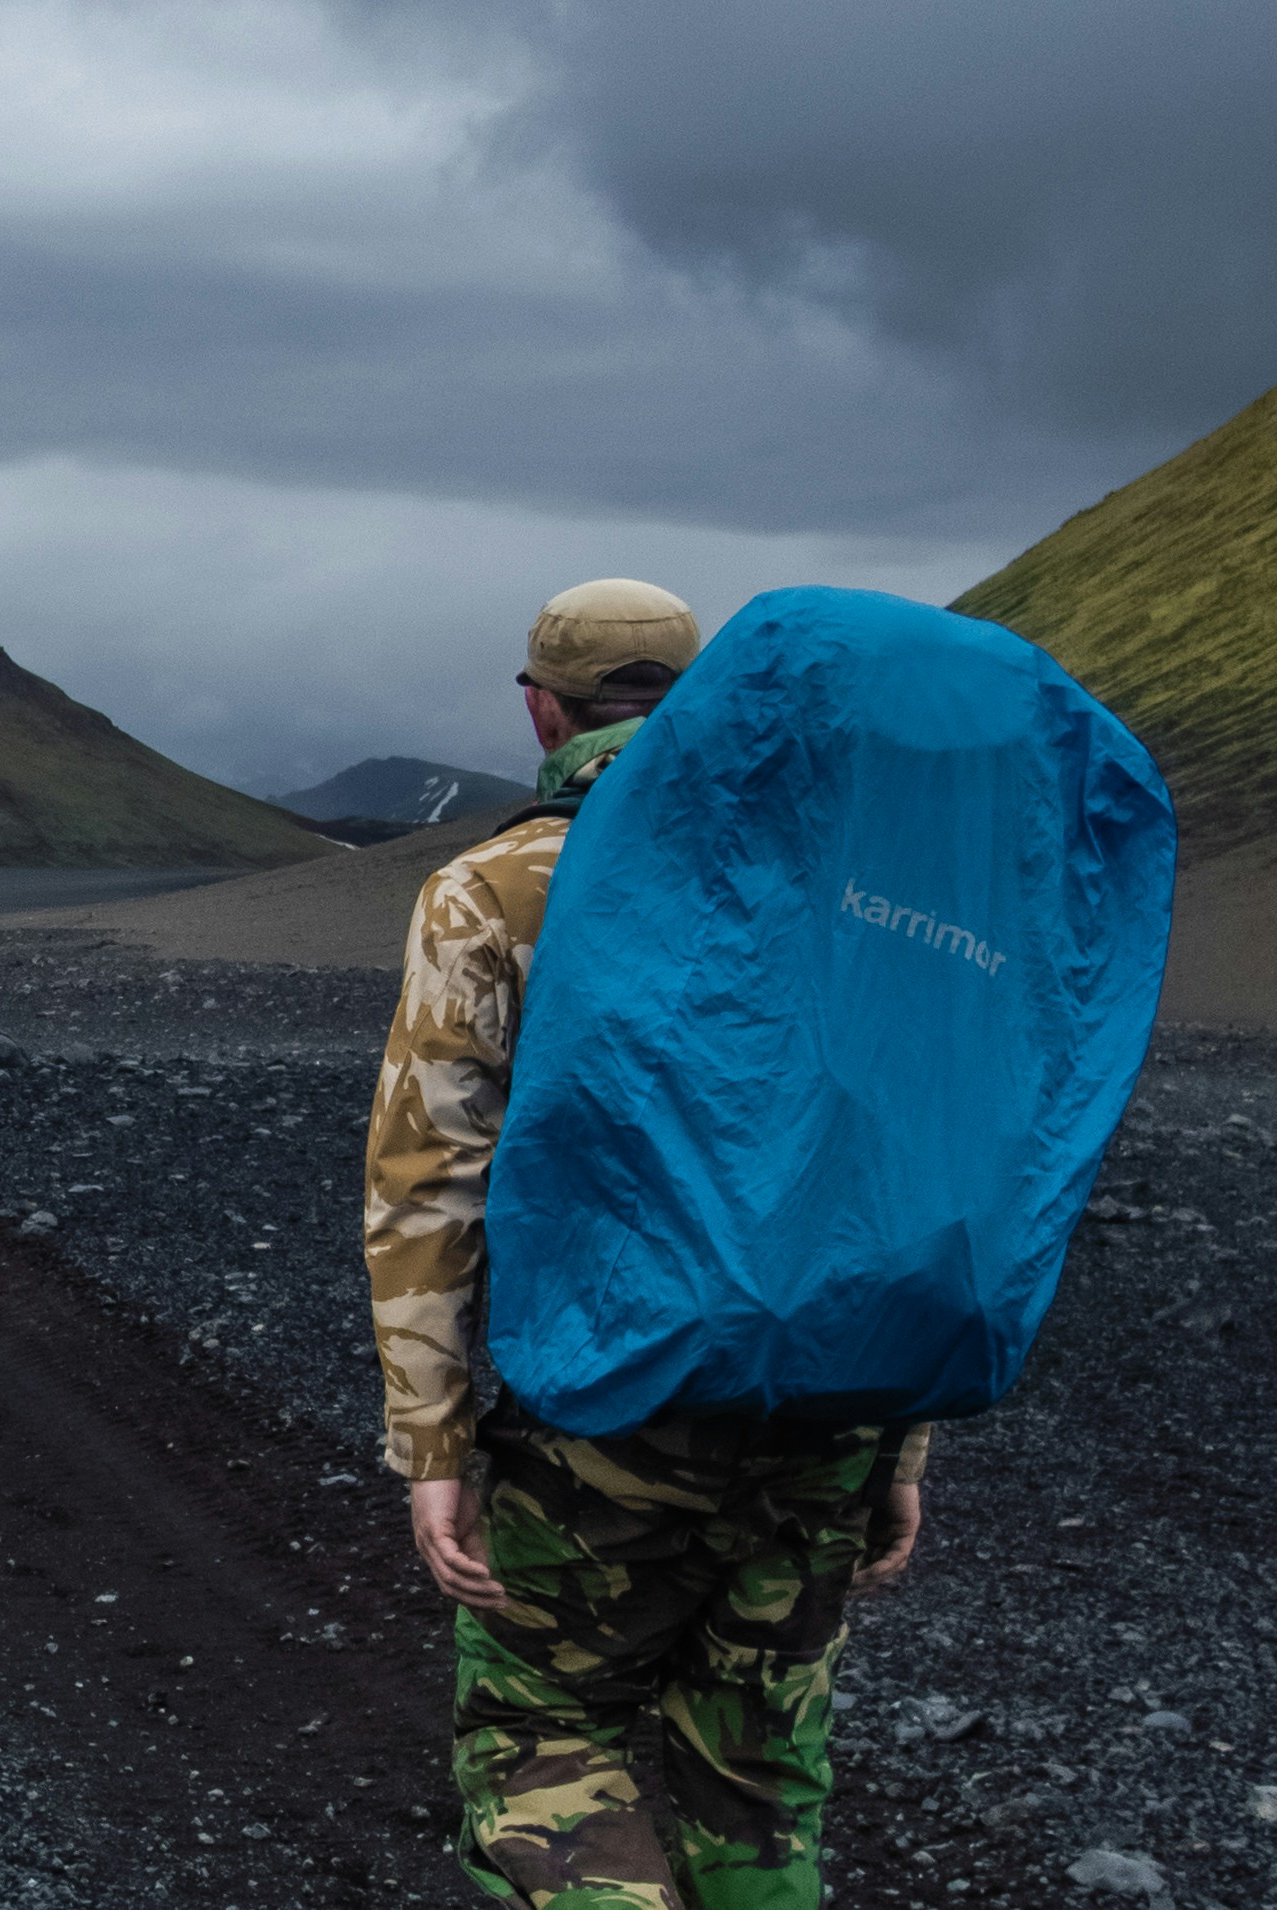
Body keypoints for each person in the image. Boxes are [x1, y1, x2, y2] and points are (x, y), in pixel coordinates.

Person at [361, 580, 925, 1910]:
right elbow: (897, 1163)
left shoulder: (489, 891)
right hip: (824, 1399)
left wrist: (430, 1447)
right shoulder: (846, 885)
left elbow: (426, 1179)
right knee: (761, 1776)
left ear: (539, 707)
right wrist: (898, 1440)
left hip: (605, 1407)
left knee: (543, 1741)